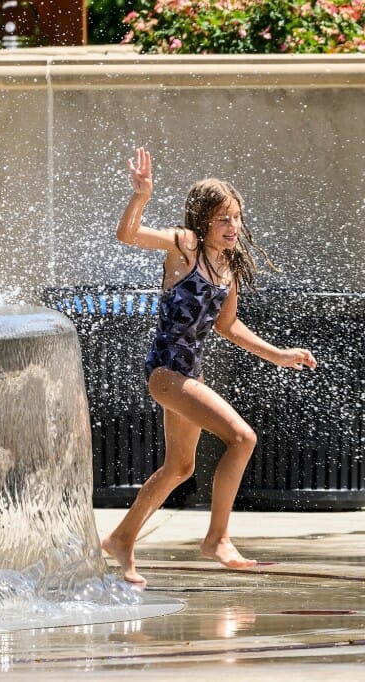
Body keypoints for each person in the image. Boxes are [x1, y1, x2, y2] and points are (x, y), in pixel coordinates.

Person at [100, 147, 317, 586]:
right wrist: (140, 195)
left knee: (180, 468)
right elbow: (129, 234)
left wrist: (279, 354)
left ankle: (122, 539)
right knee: (242, 437)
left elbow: (229, 325)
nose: (233, 226)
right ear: (203, 221)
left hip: (188, 376)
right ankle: (217, 539)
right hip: (166, 372)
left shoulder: (227, 266)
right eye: (223, 218)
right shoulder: (186, 246)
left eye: (236, 217)